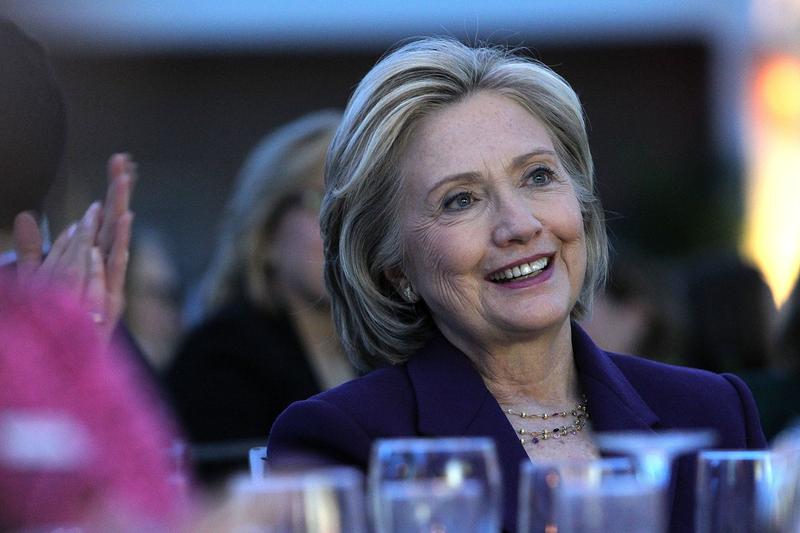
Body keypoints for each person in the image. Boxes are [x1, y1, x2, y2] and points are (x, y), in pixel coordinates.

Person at [266, 37, 766, 532]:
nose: (520, 224)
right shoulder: (344, 440)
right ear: (394, 268)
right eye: (460, 200)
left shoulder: (715, 410)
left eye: (538, 176)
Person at [166, 110, 355, 484]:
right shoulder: (220, 358)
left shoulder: (391, 353)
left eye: (358, 203)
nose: (344, 225)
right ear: (265, 235)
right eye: (322, 201)